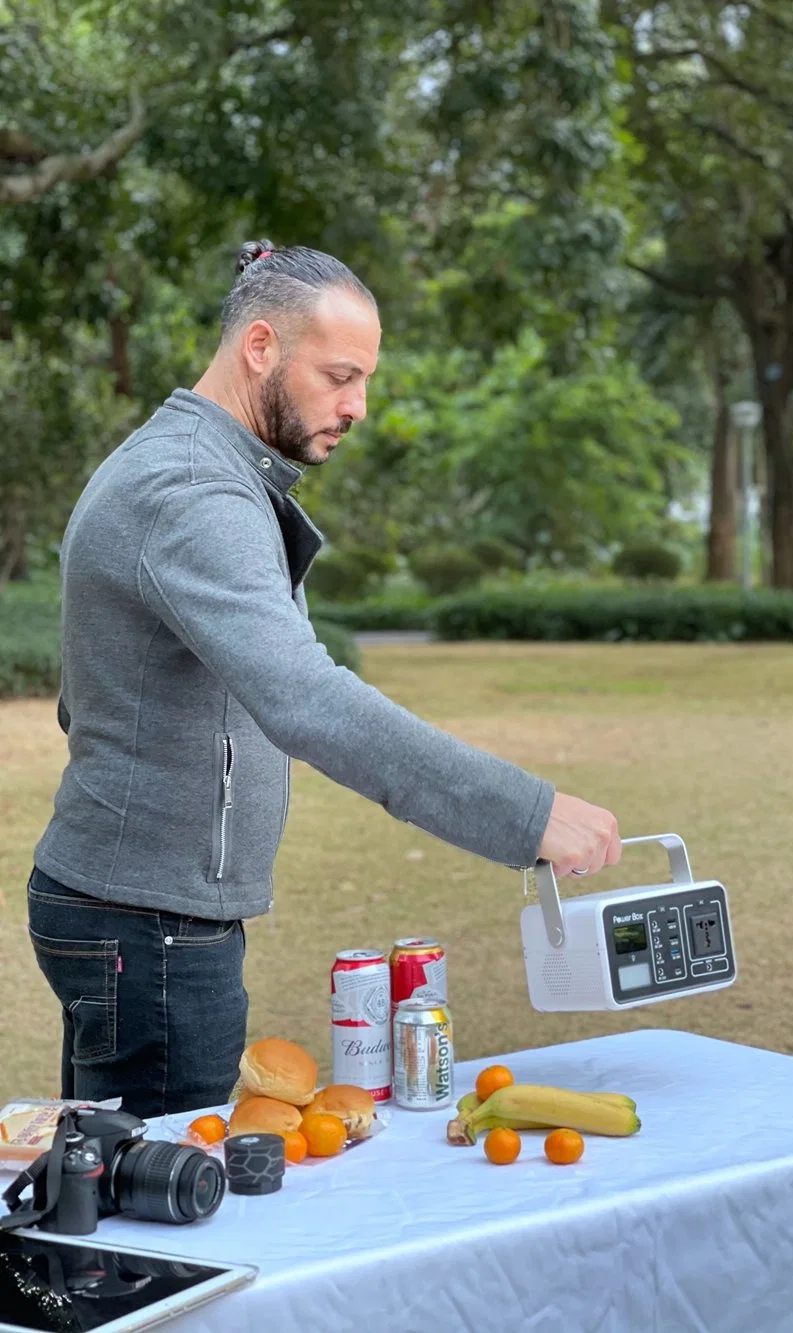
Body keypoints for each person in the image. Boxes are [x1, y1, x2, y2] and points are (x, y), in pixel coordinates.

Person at [28, 240, 621, 1120]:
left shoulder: (196, 467)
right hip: (146, 925)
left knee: (106, 1192)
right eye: (341, 375)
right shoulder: (195, 490)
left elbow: (99, 696)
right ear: (260, 347)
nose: (360, 406)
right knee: (149, 1223)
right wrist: (526, 813)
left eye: (366, 380)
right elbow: (309, 700)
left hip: (133, 908)